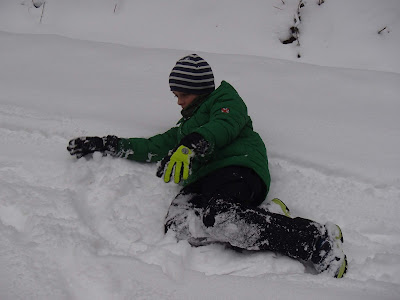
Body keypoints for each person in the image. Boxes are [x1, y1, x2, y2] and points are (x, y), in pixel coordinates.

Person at [67, 54, 347, 278]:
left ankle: (316, 239)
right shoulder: (183, 128)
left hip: (239, 168)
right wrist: (107, 144)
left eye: (182, 95)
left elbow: (224, 126)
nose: (178, 101)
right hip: (204, 181)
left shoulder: (225, 101)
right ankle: (265, 216)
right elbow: (151, 147)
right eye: (175, 95)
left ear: (199, 89)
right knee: (178, 227)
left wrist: (194, 144)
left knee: (219, 216)